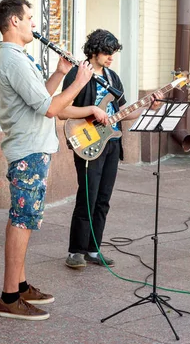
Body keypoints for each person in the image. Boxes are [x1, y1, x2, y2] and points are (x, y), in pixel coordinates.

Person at [0, 0, 94, 320]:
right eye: (29, 18)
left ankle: (20, 285)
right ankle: (9, 297)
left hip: (33, 147)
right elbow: (50, 109)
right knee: (22, 221)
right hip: (28, 150)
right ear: (14, 22)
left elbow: (40, 98)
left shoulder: (18, 58)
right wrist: (79, 82)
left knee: (21, 218)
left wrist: (60, 73)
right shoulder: (13, 60)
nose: (34, 25)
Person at [58, 29, 162, 269]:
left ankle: (94, 249)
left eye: (113, 53)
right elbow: (62, 110)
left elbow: (124, 112)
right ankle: (76, 251)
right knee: (88, 197)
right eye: (107, 53)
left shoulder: (113, 77)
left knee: (103, 199)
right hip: (87, 143)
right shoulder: (77, 73)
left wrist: (150, 107)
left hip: (112, 143)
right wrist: (92, 111)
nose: (110, 58)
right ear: (94, 50)